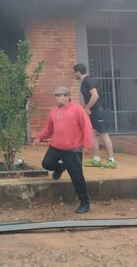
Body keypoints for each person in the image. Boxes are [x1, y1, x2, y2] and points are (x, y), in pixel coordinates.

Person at [34, 86, 94, 214]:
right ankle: (60, 167)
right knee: (46, 164)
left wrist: (87, 145)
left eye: (59, 95)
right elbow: (49, 129)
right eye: (55, 96)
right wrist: (39, 137)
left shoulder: (77, 110)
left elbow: (87, 127)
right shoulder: (54, 111)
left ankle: (85, 203)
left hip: (73, 150)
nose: (57, 98)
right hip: (56, 146)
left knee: (77, 177)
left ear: (67, 96)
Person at [73, 63, 116, 168]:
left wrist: (86, 108)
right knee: (92, 134)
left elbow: (95, 96)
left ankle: (111, 160)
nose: (73, 75)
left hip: (100, 110)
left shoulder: (88, 80)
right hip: (93, 111)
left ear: (78, 72)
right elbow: (87, 98)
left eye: (74, 72)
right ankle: (96, 159)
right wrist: (85, 109)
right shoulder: (84, 82)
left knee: (103, 134)